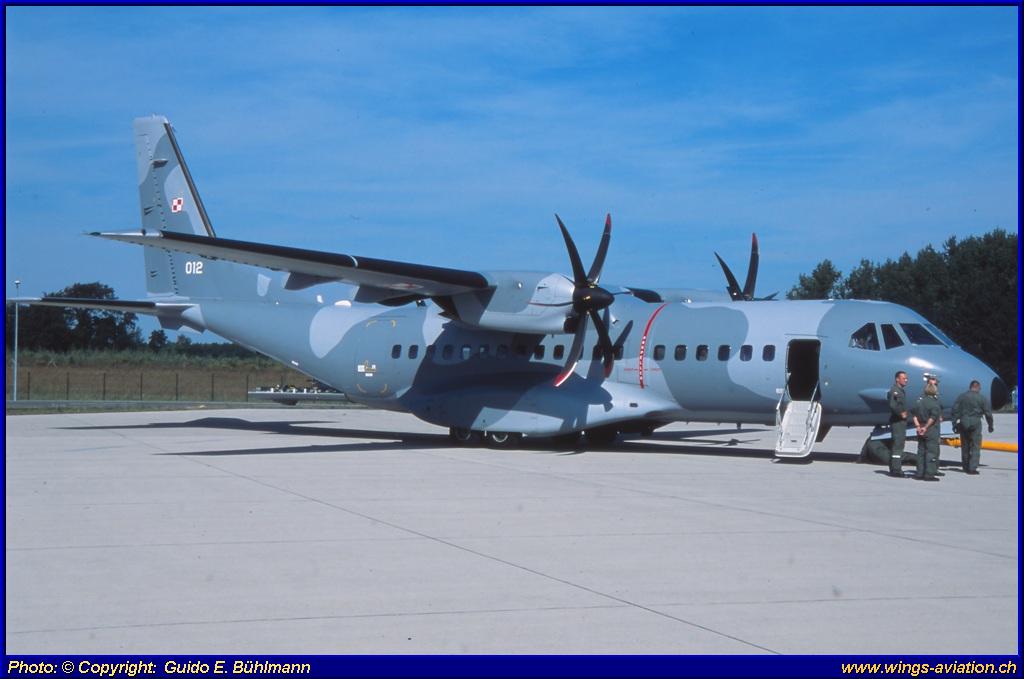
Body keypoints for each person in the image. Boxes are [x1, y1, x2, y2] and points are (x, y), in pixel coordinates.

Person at [951, 380, 995, 475]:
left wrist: (954, 423)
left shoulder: (962, 397)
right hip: (976, 423)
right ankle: (972, 467)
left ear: (970, 387)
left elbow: (955, 410)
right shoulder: (982, 398)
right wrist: (990, 425)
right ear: (977, 387)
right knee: (975, 446)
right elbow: (988, 413)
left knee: (965, 445)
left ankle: (965, 466)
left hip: (964, 422)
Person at [912, 382, 942, 481]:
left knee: (921, 452)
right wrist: (925, 427)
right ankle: (929, 474)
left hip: (920, 430)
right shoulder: (934, 404)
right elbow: (932, 418)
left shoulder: (919, 402)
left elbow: (914, 416)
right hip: (931, 430)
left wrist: (918, 427)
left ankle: (919, 473)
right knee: (931, 452)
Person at [886, 371, 909, 477]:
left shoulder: (901, 391)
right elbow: (892, 405)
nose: (906, 380)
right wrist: (901, 413)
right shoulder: (895, 391)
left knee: (898, 444)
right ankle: (896, 469)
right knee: (898, 445)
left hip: (900, 421)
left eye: (906, 378)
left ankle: (893, 467)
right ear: (897, 379)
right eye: (903, 378)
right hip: (897, 421)